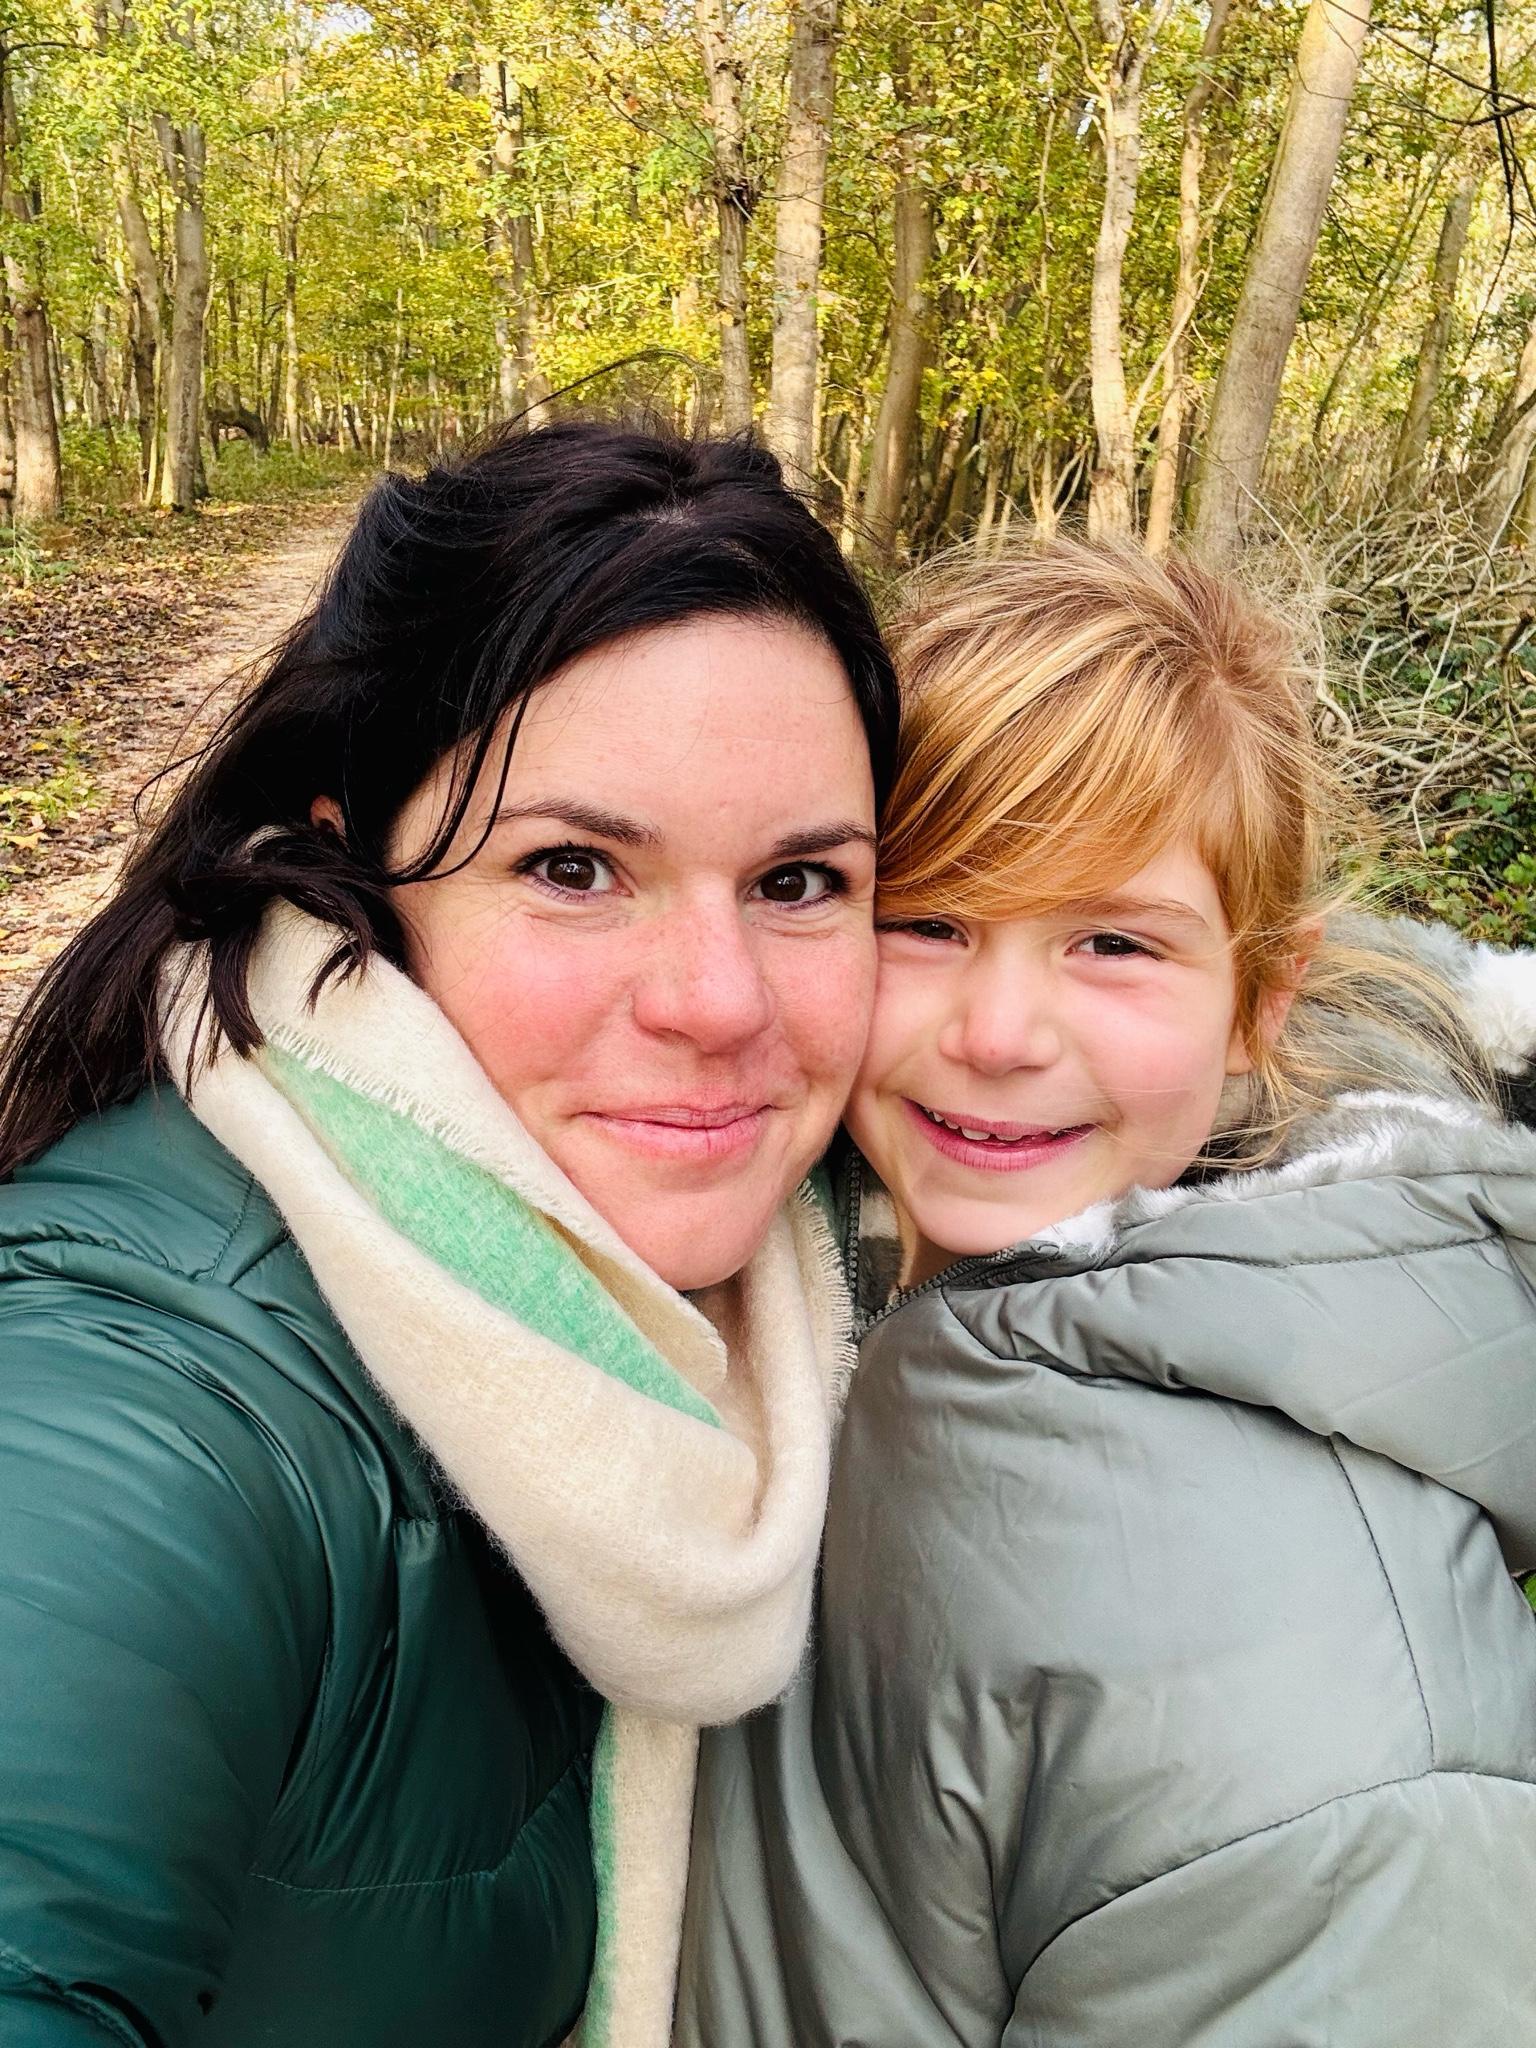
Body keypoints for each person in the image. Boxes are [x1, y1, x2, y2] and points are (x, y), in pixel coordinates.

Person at [0, 420, 900, 2048]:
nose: (719, 1004)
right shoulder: (149, 1399)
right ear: (346, 859)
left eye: (798, 884)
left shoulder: (821, 1265)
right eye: (574, 866)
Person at [676, 538, 1536, 2047]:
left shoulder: (1323, 1748)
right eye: (931, 920)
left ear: (1261, 1000)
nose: (1000, 1032)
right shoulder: (808, 1269)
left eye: (1114, 942)